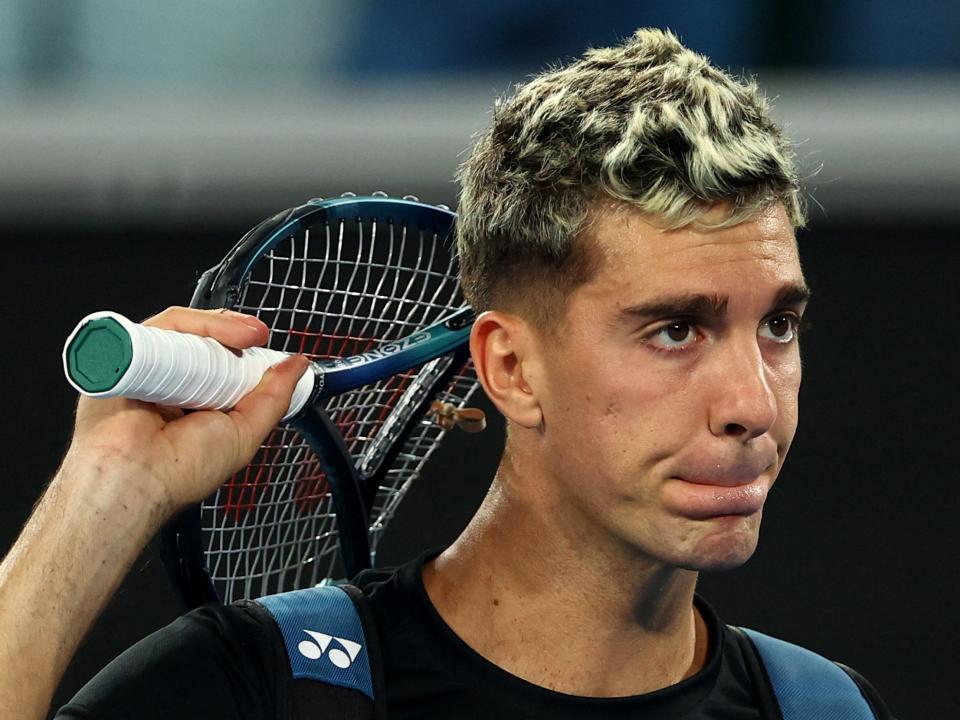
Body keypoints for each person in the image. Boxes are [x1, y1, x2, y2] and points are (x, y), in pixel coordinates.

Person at [0, 28, 894, 719]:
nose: (751, 405)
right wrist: (101, 492)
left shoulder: (828, 709)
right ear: (510, 366)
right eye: (674, 331)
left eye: (778, 324)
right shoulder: (254, 688)